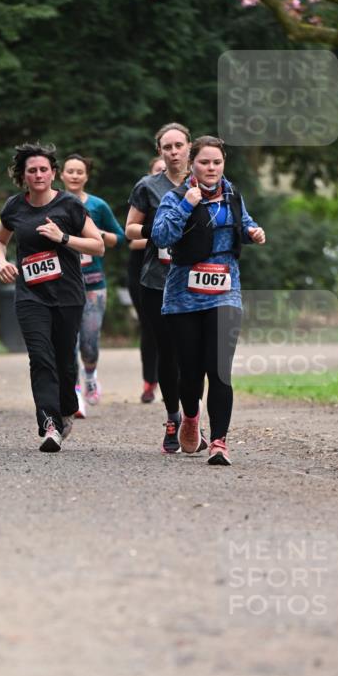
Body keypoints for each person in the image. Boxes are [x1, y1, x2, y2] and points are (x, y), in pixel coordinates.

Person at [152, 136, 266, 466]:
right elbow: (161, 237)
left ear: (223, 164)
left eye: (217, 162)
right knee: (190, 372)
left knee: (219, 370)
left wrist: (254, 232)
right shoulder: (175, 198)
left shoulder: (232, 195)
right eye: (205, 162)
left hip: (224, 292)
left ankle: (219, 441)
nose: (211, 168)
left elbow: (243, 224)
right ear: (193, 165)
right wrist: (188, 203)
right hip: (183, 299)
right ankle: (190, 417)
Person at [0, 142, 103, 452]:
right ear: (23, 176)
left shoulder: (69, 206)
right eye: (32, 171)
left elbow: (98, 246)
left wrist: (63, 238)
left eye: (43, 169)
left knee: (66, 362)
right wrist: (1, 262)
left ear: (53, 172)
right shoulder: (15, 206)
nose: (38, 174)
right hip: (30, 296)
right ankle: (49, 423)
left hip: (67, 295)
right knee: (41, 358)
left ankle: (66, 408)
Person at [125, 122, 206, 455]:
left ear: (189, 147)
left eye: (179, 145)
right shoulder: (148, 186)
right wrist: (160, 230)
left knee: (196, 355)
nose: (173, 152)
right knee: (168, 352)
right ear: (159, 151)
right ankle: (174, 417)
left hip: (195, 281)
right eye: (167, 147)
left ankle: (193, 417)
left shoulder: (205, 181)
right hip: (157, 282)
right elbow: (129, 229)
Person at [60, 153, 126, 407]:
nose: (75, 176)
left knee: (89, 342)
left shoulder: (98, 206)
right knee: (68, 342)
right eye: (70, 171)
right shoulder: (54, 203)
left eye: (80, 172)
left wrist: (98, 235)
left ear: (86, 176)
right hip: (64, 283)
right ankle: (74, 390)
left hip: (93, 284)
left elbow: (119, 238)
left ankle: (90, 376)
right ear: (62, 175)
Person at [127, 155, 165, 405]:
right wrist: (162, 236)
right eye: (158, 169)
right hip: (143, 269)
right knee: (150, 329)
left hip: (173, 270)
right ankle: (149, 382)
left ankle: (172, 381)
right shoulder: (146, 192)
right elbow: (131, 240)